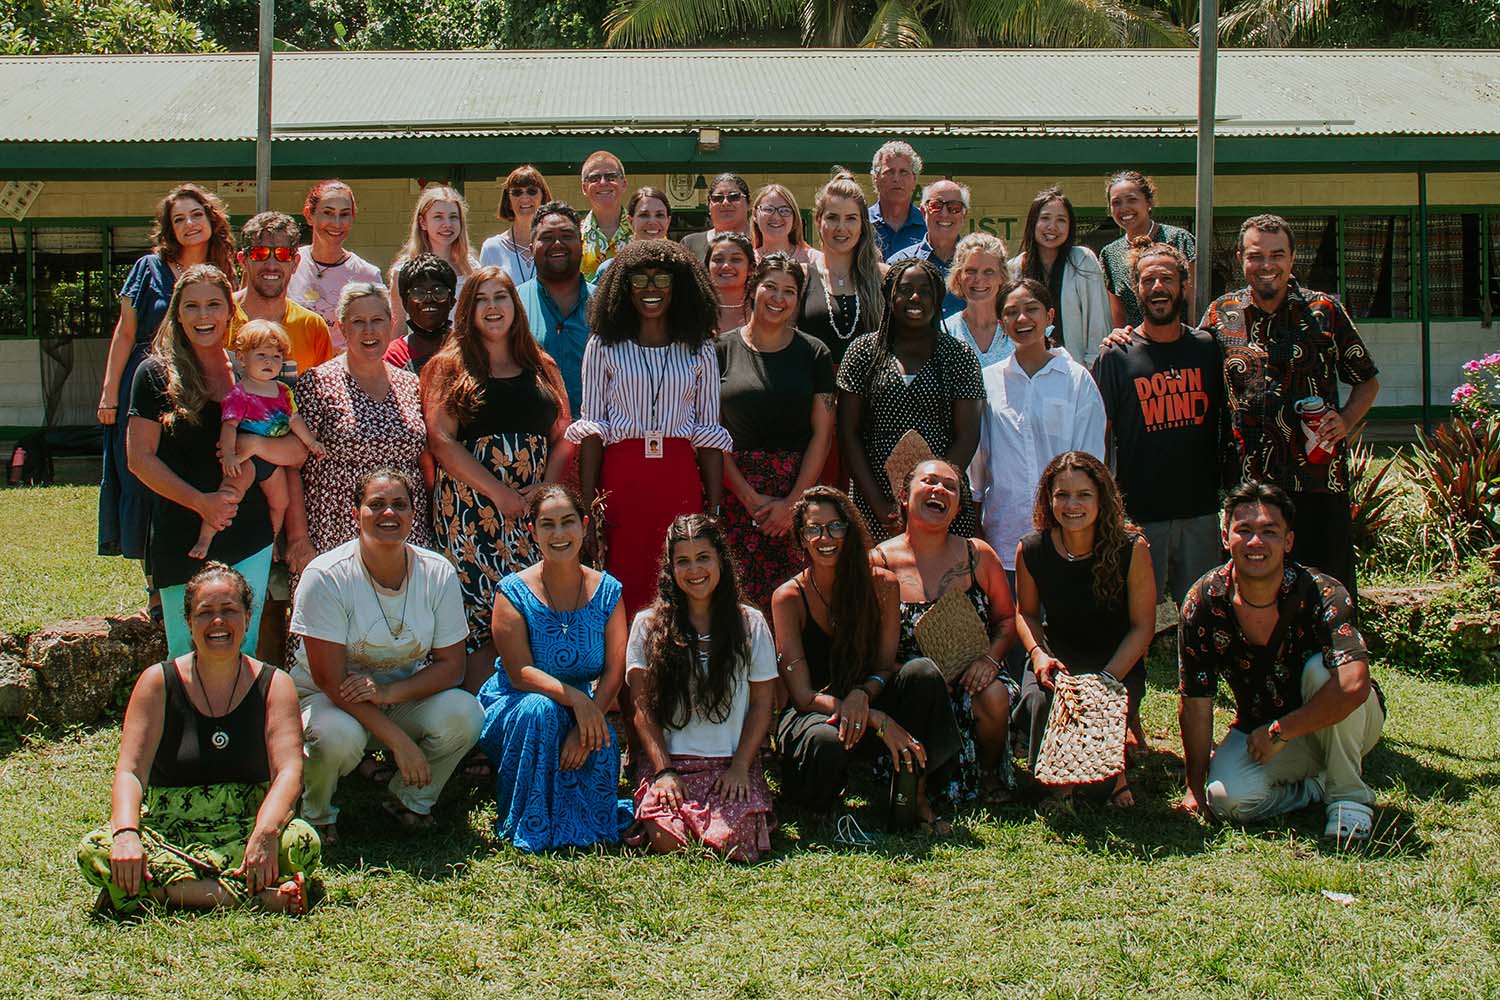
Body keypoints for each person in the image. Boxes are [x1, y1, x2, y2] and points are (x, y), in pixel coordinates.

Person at [78, 563, 319, 915]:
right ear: (189, 623)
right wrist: (127, 833)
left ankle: (157, 894)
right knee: (95, 849)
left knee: (302, 843)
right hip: (170, 832)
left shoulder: (275, 684)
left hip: (247, 828)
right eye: (205, 613)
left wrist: (266, 833)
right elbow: (130, 771)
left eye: (229, 611)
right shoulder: (157, 683)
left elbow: (289, 773)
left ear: (247, 618)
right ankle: (254, 896)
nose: (218, 622)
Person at [1179, 482, 1386, 843]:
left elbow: (1354, 685)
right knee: (1228, 801)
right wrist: (1195, 787)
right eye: (1244, 530)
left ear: (1288, 541)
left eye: (1269, 531)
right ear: (1225, 537)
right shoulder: (1204, 602)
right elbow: (1196, 701)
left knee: (1323, 671)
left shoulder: (1322, 592)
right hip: (1262, 730)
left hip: (1345, 720)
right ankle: (1315, 788)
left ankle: (1349, 798)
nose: (1256, 542)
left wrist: (1282, 730)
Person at [290, 468, 483, 843]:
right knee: (335, 737)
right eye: (375, 505)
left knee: (466, 713)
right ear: (355, 512)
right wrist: (400, 742)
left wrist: (387, 695)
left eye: (399, 505)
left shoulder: (437, 572)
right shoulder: (326, 576)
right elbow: (330, 679)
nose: (388, 514)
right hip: (327, 699)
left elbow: (452, 667)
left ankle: (409, 800)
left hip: (398, 696)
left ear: (414, 514)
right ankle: (316, 812)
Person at [1198, 214, 1380, 602]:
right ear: (1240, 259)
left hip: (1317, 478)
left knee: (1327, 592)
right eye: (1256, 255)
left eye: (1277, 254)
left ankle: (1333, 660)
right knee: (1251, 595)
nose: (1267, 265)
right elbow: (1187, 363)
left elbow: (1367, 379)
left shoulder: (1325, 311)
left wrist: (1346, 420)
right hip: (1249, 484)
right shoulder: (1219, 314)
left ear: (1293, 257)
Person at [127, 265, 293, 656]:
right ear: (177, 313)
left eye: (214, 305)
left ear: (230, 312)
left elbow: (293, 451)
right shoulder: (154, 374)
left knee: (243, 652)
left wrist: (255, 448)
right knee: (185, 656)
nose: (204, 316)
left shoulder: (249, 371)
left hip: (248, 534)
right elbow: (139, 458)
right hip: (183, 535)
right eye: (193, 306)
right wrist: (201, 502)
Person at [422, 265, 573, 690]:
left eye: (501, 297)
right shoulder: (449, 367)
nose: (493, 307)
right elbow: (442, 442)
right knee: (481, 619)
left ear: (516, 306)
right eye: (482, 299)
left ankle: (530, 716)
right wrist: (501, 494)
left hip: (533, 513)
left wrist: (545, 488)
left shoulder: (541, 364)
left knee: (532, 612)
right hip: (472, 514)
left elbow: (564, 434)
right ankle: (479, 732)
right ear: (467, 311)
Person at [773, 487, 960, 829]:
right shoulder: (789, 597)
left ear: (850, 529)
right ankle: (822, 806)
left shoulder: (883, 585)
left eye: (835, 527)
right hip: (816, 711)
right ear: (802, 538)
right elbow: (801, 695)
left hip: (869, 692)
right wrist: (872, 716)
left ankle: (915, 794)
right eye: (814, 529)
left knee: (921, 672)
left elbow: (884, 665)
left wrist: (864, 694)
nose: (825, 538)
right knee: (826, 741)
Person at [568, 239, 732, 616]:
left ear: (680, 287)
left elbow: (708, 433)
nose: (651, 289)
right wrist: (590, 508)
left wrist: (715, 509)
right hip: (622, 477)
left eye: (662, 280)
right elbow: (593, 429)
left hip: (678, 476)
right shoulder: (603, 345)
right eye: (640, 280)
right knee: (624, 577)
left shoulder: (699, 347)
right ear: (623, 287)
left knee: (681, 577)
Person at [477, 485, 631, 852]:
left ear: (585, 526)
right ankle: (529, 821)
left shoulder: (608, 591)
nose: (559, 534)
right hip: (519, 703)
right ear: (533, 532)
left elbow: (613, 669)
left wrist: (586, 718)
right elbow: (520, 672)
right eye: (548, 525)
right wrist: (579, 701)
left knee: (599, 743)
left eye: (567, 523)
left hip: (582, 707)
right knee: (541, 712)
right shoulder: (512, 592)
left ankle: (584, 824)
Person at [100, 184, 236, 579]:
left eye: (196, 215)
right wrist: (110, 395)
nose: (190, 224)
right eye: (179, 219)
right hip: (150, 379)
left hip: (204, 382)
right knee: (146, 479)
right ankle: (155, 584)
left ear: (211, 220)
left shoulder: (225, 271)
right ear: (169, 229)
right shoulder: (149, 268)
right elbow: (124, 333)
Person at [627, 514, 777, 862]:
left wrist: (741, 766)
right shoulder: (647, 625)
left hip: (729, 764)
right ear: (670, 568)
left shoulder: (749, 623)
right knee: (668, 841)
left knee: (733, 844)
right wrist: (663, 771)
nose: (694, 570)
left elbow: (761, 704)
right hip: (672, 763)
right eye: (683, 561)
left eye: (703, 558)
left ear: (721, 559)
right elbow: (642, 709)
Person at [1013, 452, 1156, 809]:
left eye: (1084, 494)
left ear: (1101, 498)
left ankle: (1110, 776)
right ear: (1049, 499)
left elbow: (1143, 627)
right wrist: (1038, 655)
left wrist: (1105, 680)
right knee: (1039, 698)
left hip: (1114, 661)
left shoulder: (1131, 548)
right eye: (1062, 495)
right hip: (1057, 660)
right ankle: (1056, 782)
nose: (1072, 504)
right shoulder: (1031, 548)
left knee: (1096, 704)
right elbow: (1026, 614)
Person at [874, 460, 1018, 805]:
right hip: (910, 688)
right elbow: (865, 641)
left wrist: (989, 659)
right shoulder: (878, 562)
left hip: (972, 680)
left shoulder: (977, 556)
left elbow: (1006, 620)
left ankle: (987, 772)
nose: (940, 490)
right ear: (904, 497)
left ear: (957, 506)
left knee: (994, 695)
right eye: (929, 481)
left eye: (951, 486)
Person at [1093, 240, 1224, 608]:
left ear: (1184, 285)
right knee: (1135, 616)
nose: (1157, 288)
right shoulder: (1116, 355)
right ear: (1136, 289)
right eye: (1148, 280)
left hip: (1198, 512)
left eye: (1166, 278)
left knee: (1205, 614)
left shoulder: (1208, 349)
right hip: (1139, 515)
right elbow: (1100, 433)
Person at [285, 283, 432, 583]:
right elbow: (292, 468)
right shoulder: (316, 384)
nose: (369, 331)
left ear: (390, 324)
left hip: (404, 532)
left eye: (377, 320)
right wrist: (298, 538)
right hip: (333, 531)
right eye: (358, 322)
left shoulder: (411, 385)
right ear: (342, 327)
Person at [716, 253, 835, 610]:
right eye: (770, 286)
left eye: (789, 291)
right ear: (753, 288)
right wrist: (750, 499)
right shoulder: (719, 350)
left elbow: (823, 435)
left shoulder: (815, 353)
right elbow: (707, 432)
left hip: (795, 495)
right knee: (736, 605)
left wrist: (792, 504)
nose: (778, 298)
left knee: (795, 605)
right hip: (735, 496)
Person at [970, 279, 1106, 590]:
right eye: (1011, 312)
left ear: (1050, 316)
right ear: (1001, 322)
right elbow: (977, 465)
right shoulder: (989, 382)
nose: (1022, 319)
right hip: (1005, 536)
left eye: (1032, 309)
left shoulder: (1075, 380)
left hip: (1069, 534)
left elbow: (1091, 462)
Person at [837, 258, 984, 541]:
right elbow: (848, 434)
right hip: (875, 502)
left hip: (943, 504)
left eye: (926, 291)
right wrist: (882, 507)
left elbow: (968, 436)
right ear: (890, 295)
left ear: (938, 299)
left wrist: (931, 497)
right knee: (880, 582)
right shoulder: (862, 353)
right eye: (905, 290)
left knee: (946, 585)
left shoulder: (959, 356)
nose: (915, 297)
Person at [195, 320, 326, 559]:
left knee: (281, 503)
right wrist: (229, 455)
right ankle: (205, 538)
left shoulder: (284, 391)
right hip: (245, 459)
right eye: (262, 355)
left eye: (276, 357)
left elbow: (295, 420)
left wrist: (311, 443)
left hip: (273, 460)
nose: (269, 362)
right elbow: (229, 427)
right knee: (229, 494)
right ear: (243, 358)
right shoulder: (240, 393)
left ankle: (270, 542)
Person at [1009, 186, 1111, 364]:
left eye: (1061, 220)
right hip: (1029, 370)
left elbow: (1098, 322)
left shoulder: (1082, 260)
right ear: (1033, 223)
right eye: (1045, 218)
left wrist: (1093, 369)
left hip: (1077, 372)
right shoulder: (1015, 268)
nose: (1052, 227)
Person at [228, 212, 333, 381]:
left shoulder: (312, 327)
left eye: (283, 254)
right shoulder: (220, 316)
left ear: (295, 263)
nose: (271, 265)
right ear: (242, 260)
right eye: (259, 253)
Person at [287, 180, 385, 352]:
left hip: (343, 374)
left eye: (344, 214)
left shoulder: (367, 275)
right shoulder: (288, 263)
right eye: (328, 213)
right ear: (309, 215)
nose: (337, 223)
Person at [516, 201, 594, 416]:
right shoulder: (512, 304)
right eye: (547, 237)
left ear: (581, 243)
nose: (557, 243)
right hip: (535, 437)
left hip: (598, 436)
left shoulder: (606, 304)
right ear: (531, 249)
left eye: (567, 236)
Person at [802, 171, 885, 370]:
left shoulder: (884, 277)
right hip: (813, 396)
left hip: (870, 396)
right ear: (818, 221)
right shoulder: (801, 277)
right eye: (832, 217)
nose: (841, 227)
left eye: (851, 218)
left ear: (862, 224)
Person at [1100, 170, 1197, 328]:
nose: (1124, 208)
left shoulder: (1179, 239)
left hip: (1180, 341)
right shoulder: (1109, 254)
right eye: (1116, 202)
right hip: (1137, 346)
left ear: (1149, 202)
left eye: (1132, 200)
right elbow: (1118, 315)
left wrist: (1197, 342)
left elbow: (1195, 301)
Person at [389, 185, 478, 332]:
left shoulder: (472, 269)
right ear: (423, 222)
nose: (447, 224)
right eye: (438, 217)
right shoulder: (402, 271)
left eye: (453, 217)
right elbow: (398, 328)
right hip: (419, 352)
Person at [887, 180, 969, 315]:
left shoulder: (976, 265)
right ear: (923, 212)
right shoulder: (899, 264)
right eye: (936, 206)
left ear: (964, 215)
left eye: (954, 207)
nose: (944, 214)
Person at [944, 232, 1014, 370]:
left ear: (1001, 276)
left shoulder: (1017, 328)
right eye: (971, 271)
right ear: (959, 276)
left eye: (988, 271)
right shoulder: (945, 331)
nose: (979, 279)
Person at [383, 253, 457, 374]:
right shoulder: (393, 357)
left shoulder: (467, 348)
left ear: (452, 301)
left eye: (438, 292)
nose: (428, 299)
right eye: (418, 292)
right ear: (405, 303)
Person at [479, 165, 552, 285]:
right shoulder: (491, 249)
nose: (524, 198)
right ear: (508, 201)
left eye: (532, 191)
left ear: (543, 197)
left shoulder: (554, 245)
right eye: (517, 192)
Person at [592, 186, 674, 280]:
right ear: (630, 221)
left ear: (668, 221)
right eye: (644, 215)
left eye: (659, 215)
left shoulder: (682, 267)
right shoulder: (609, 270)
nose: (652, 221)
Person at [868, 140, 926, 259]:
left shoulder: (927, 225)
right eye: (889, 172)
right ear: (875, 178)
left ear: (914, 180)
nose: (896, 179)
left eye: (903, 172)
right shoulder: (861, 222)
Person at [579, 150, 630, 280]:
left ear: (624, 184)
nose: (602, 183)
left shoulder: (644, 230)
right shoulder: (573, 235)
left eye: (610, 177)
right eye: (594, 178)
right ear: (584, 188)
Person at [681, 172, 752, 262]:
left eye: (734, 196)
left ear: (749, 204)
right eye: (718, 198)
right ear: (709, 205)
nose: (725, 203)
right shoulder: (690, 244)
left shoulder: (764, 240)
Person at [750, 183, 822, 267]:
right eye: (768, 209)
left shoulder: (814, 260)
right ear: (755, 214)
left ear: (794, 218)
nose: (776, 217)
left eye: (785, 210)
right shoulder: (747, 261)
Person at [704, 231, 754, 332]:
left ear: (751, 268)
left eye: (736, 259)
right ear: (707, 268)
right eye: (718, 260)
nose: (726, 266)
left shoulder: (762, 311)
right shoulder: (694, 310)